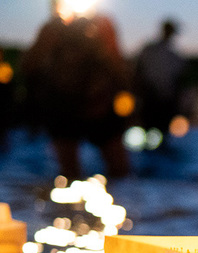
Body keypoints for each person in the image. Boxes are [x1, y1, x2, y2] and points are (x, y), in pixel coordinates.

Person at [22, 0, 130, 180]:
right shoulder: (52, 29)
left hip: (99, 105)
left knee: (120, 171)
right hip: (64, 107)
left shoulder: (102, 24)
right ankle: (70, 206)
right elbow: (28, 66)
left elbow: (118, 66)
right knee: (69, 174)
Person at [134, 19, 186, 139]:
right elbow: (138, 71)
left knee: (162, 130)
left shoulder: (174, 55)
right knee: (150, 128)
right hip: (150, 97)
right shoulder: (150, 50)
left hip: (166, 100)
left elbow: (179, 78)